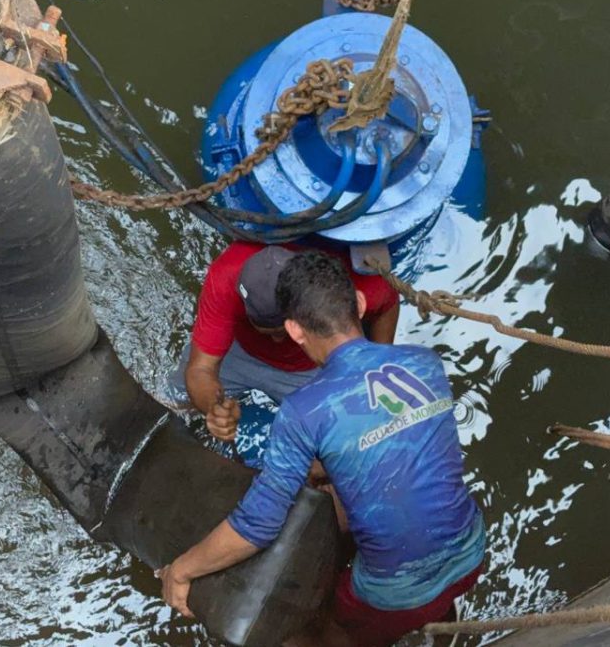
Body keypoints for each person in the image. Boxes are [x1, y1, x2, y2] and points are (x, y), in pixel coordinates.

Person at [158, 251, 486, 647]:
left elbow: (257, 525)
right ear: (360, 304)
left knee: (315, 633)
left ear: (295, 331)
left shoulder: (305, 409)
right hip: (470, 552)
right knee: (422, 587)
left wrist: (182, 570)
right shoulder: (425, 363)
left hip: (392, 594)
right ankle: (440, 622)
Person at [168, 241, 400, 444]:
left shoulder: (343, 284)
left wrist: (375, 363)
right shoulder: (226, 276)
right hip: (240, 352)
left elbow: (387, 301)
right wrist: (214, 410)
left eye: (283, 331)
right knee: (178, 402)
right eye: (265, 331)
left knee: (340, 442)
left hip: (308, 367)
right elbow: (201, 368)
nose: (277, 341)